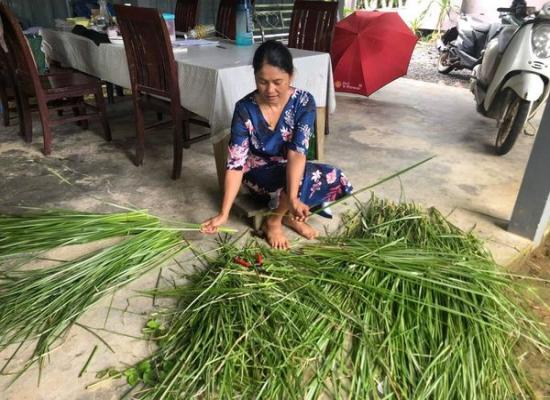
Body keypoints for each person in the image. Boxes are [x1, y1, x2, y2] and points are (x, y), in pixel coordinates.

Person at [202, 40, 352, 249]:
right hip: (258, 173)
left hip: (288, 166)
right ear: (255, 77)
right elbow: (236, 165)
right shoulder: (245, 109)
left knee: (332, 175)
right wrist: (223, 214)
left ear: (291, 76)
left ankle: (287, 215)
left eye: (278, 82)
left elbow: (297, 153)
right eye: (262, 82)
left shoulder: (303, 102)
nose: (270, 89)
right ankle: (273, 223)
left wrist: (293, 197)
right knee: (301, 181)